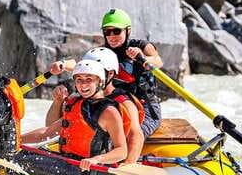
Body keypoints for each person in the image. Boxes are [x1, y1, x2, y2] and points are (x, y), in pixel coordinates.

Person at [49, 9, 163, 138]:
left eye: (116, 31)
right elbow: (81, 64)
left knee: (131, 135)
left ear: (128, 30)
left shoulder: (142, 46)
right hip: (114, 102)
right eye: (107, 32)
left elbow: (158, 62)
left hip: (145, 107)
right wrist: (63, 65)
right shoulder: (103, 52)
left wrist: (142, 58)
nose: (111, 36)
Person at [19, 60, 128, 175]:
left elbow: (122, 151)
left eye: (89, 79)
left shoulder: (108, 111)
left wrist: (96, 159)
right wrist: (17, 139)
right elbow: (46, 132)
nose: (83, 84)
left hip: (81, 170)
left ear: (100, 81)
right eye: (79, 80)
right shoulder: (75, 104)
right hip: (65, 161)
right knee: (23, 153)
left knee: (21, 161)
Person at [45, 47, 145, 165]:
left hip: (104, 161)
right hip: (78, 159)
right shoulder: (81, 98)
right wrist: (58, 102)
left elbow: (135, 135)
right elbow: (50, 130)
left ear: (110, 73)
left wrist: (128, 164)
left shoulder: (123, 102)